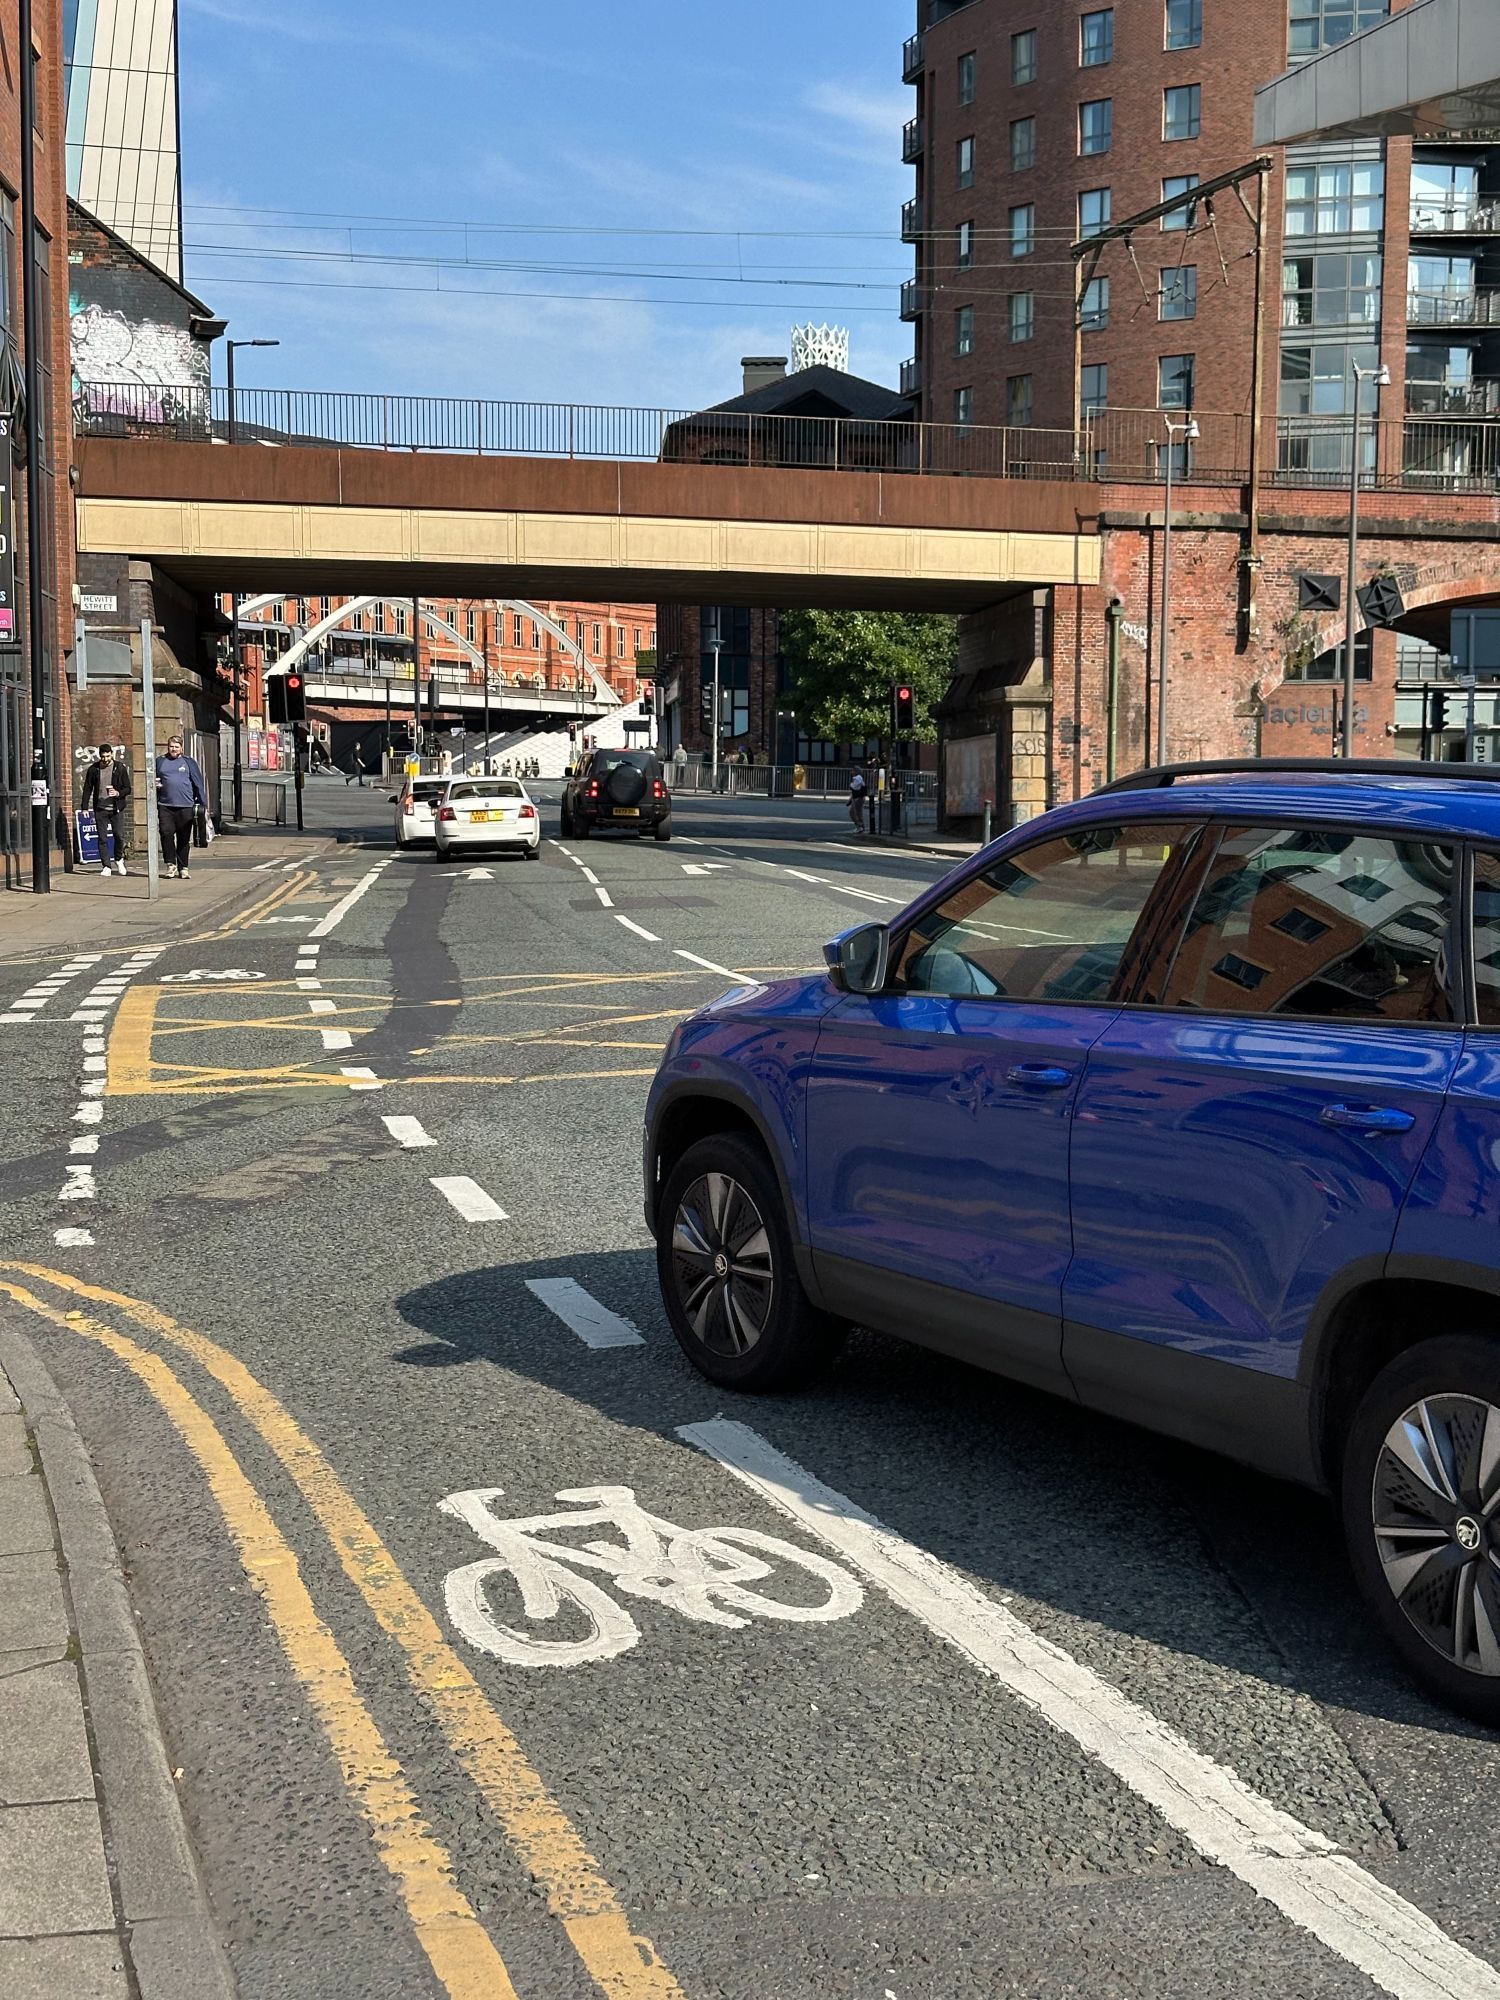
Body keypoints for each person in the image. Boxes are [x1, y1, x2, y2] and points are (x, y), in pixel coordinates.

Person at [155, 734, 208, 880]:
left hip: (186, 806)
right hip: (165, 805)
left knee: (183, 838)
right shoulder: (160, 761)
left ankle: (183, 867)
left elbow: (198, 782)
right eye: (171, 746)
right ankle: (170, 864)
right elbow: (154, 780)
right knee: (166, 834)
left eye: (176, 747)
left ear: (181, 748)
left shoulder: (189, 762)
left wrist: (202, 804)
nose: (173, 749)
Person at [81, 743, 131, 876]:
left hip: (116, 808)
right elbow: (87, 788)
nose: (105, 759)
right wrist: (84, 807)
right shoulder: (94, 769)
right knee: (102, 838)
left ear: (111, 754)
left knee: (119, 836)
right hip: (100, 808)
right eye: (103, 757)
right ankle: (106, 866)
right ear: (99, 756)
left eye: (108, 756)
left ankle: (119, 859)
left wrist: (118, 793)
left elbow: (128, 788)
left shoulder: (119, 768)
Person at [847, 763, 869, 836]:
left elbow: (855, 787)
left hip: (859, 798)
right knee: (855, 812)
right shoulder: (857, 778)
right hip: (856, 798)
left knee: (855, 812)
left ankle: (860, 826)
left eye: (853, 771)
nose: (851, 772)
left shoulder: (858, 777)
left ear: (856, 771)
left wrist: (851, 785)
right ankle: (859, 826)